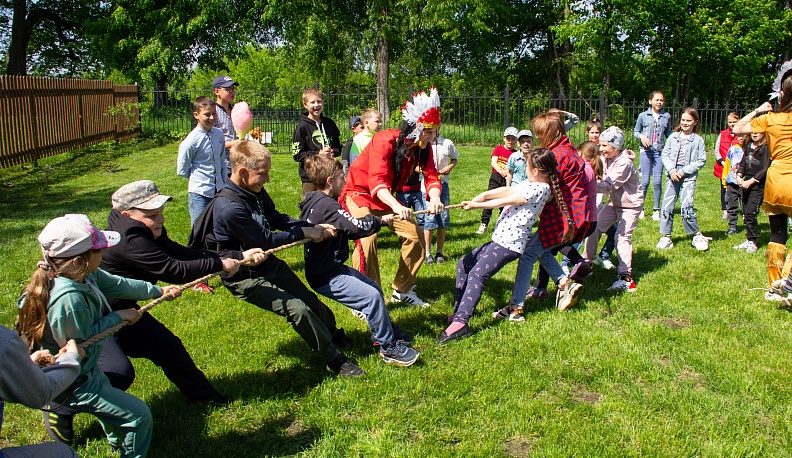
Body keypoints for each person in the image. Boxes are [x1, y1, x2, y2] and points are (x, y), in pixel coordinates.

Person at [17, 214, 181, 458]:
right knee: (138, 415)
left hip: (88, 372)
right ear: (77, 261)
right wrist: (119, 317)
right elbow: (79, 348)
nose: (103, 255)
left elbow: (117, 284)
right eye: (99, 251)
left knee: (112, 406)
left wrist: (157, 291)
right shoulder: (69, 301)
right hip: (73, 381)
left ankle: (117, 443)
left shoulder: (83, 274)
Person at [206, 140, 364, 377]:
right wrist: (305, 232)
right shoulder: (229, 208)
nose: (268, 179)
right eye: (263, 173)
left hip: (266, 263)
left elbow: (276, 218)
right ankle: (335, 359)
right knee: (297, 309)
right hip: (243, 275)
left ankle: (333, 333)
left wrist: (309, 225)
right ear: (242, 172)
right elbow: (267, 240)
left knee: (308, 300)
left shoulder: (254, 190)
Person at [440, 148, 571, 342]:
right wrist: (483, 195)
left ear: (535, 170)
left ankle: (461, 322)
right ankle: (459, 311)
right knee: (464, 264)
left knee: (477, 274)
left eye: (526, 166)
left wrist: (477, 205)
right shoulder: (531, 183)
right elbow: (509, 190)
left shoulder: (541, 188)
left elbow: (512, 199)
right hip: (501, 240)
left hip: (510, 244)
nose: (525, 169)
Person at [299, 155, 419, 366]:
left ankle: (384, 329)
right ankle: (388, 347)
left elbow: (346, 226)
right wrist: (379, 221)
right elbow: (354, 227)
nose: (345, 181)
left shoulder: (313, 199)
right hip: (325, 274)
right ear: (330, 181)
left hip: (329, 267)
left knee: (373, 287)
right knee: (371, 296)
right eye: (341, 177)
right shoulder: (328, 206)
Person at [340, 88, 444, 307]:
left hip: (387, 200)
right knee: (367, 239)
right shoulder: (384, 141)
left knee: (415, 238)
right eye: (428, 131)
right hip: (359, 194)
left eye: (434, 131)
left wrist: (434, 197)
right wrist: (396, 206)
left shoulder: (422, 148)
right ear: (416, 127)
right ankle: (366, 299)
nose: (432, 137)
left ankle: (402, 290)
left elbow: (432, 176)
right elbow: (376, 182)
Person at [500, 112, 590, 316]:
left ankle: (516, 307)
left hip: (563, 217)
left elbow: (542, 191)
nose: (538, 138)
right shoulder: (567, 147)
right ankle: (564, 283)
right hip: (575, 214)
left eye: (541, 133)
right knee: (539, 249)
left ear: (552, 132)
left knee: (528, 254)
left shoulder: (557, 156)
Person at [732, 60, 792, 301]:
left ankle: (773, 286)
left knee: (777, 234)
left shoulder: (772, 120)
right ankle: (789, 283)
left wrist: (759, 109)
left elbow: (737, 128)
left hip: (776, 180)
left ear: (782, 93)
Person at [0, 324, 82, 458]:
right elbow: (41, 393)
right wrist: (72, 358)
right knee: (62, 455)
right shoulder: (4, 342)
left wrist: (24, 365)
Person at [583, 127, 643, 292]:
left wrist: (588, 185)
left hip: (630, 206)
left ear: (616, 147)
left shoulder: (625, 163)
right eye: (600, 145)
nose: (601, 149)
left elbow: (609, 185)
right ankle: (585, 264)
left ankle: (626, 278)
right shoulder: (607, 158)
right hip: (615, 203)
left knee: (622, 238)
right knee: (594, 229)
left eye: (605, 146)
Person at [656, 107, 709, 251]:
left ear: (695, 122)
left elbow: (701, 160)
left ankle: (696, 235)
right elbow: (665, 155)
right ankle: (666, 236)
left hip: (688, 177)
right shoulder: (673, 137)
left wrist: (683, 171)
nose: (685, 123)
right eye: (683, 120)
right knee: (667, 205)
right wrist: (672, 170)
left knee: (686, 206)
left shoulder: (698, 140)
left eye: (689, 121)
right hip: (672, 176)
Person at [177, 96, 229, 226]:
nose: (211, 118)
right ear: (196, 115)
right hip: (200, 193)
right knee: (199, 228)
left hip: (219, 191)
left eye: (214, 114)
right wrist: (200, 177)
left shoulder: (219, 134)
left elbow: (221, 160)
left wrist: (223, 182)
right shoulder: (191, 141)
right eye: (207, 114)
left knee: (218, 226)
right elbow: (183, 170)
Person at [292, 87, 341, 200]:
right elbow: (297, 154)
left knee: (331, 206)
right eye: (312, 102)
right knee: (310, 205)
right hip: (310, 176)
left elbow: (338, 147)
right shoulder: (302, 127)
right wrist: (318, 153)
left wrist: (333, 151)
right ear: (305, 104)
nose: (316, 105)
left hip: (329, 175)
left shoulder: (330, 124)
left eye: (319, 101)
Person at [633, 91, 673, 221]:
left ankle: (656, 209)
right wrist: (642, 136)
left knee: (657, 181)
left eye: (661, 100)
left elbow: (669, 134)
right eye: (657, 100)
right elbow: (635, 131)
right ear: (650, 101)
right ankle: (641, 208)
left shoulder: (666, 116)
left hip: (659, 151)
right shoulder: (643, 116)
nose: (659, 102)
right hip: (646, 151)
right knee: (644, 181)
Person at [422, 130, 459, 264]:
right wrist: (425, 171)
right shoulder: (423, 144)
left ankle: (439, 251)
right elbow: (415, 165)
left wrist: (450, 166)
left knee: (443, 219)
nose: (432, 132)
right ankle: (427, 252)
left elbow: (455, 159)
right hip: (427, 185)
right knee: (429, 219)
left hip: (443, 184)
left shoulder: (447, 143)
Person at [732, 132, 770, 254]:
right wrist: (739, 175)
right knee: (745, 212)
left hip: (757, 185)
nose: (754, 134)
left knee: (750, 212)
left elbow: (765, 168)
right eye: (753, 132)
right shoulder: (749, 146)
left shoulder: (766, 148)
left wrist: (751, 181)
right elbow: (743, 162)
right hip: (745, 183)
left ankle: (753, 240)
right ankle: (749, 239)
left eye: (758, 132)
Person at [477, 126, 518, 234]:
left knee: (504, 204)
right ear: (504, 138)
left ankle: (501, 226)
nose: (510, 141)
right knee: (489, 200)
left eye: (513, 139)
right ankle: (484, 224)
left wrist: (507, 174)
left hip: (507, 180)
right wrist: (501, 171)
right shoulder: (499, 148)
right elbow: (494, 162)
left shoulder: (515, 154)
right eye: (508, 138)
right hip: (496, 177)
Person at [714, 112, 741, 220]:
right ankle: (725, 210)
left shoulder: (742, 135)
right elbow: (717, 150)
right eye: (730, 122)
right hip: (723, 167)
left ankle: (743, 211)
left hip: (737, 168)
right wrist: (722, 162)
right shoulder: (723, 134)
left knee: (739, 190)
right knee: (724, 189)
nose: (732, 124)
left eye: (735, 122)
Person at [212, 75, 241, 173]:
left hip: (238, 161)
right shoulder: (212, 113)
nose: (232, 92)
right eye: (228, 90)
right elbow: (210, 141)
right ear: (217, 91)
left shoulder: (236, 110)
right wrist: (231, 144)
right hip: (222, 163)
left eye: (233, 89)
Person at [724, 136, 747, 235]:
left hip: (745, 183)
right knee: (732, 205)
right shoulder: (733, 149)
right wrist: (724, 180)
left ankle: (749, 224)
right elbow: (727, 165)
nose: (741, 138)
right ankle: (732, 226)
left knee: (746, 205)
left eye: (744, 135)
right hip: (731, 182)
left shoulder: (750, 149)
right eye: (740, 136)